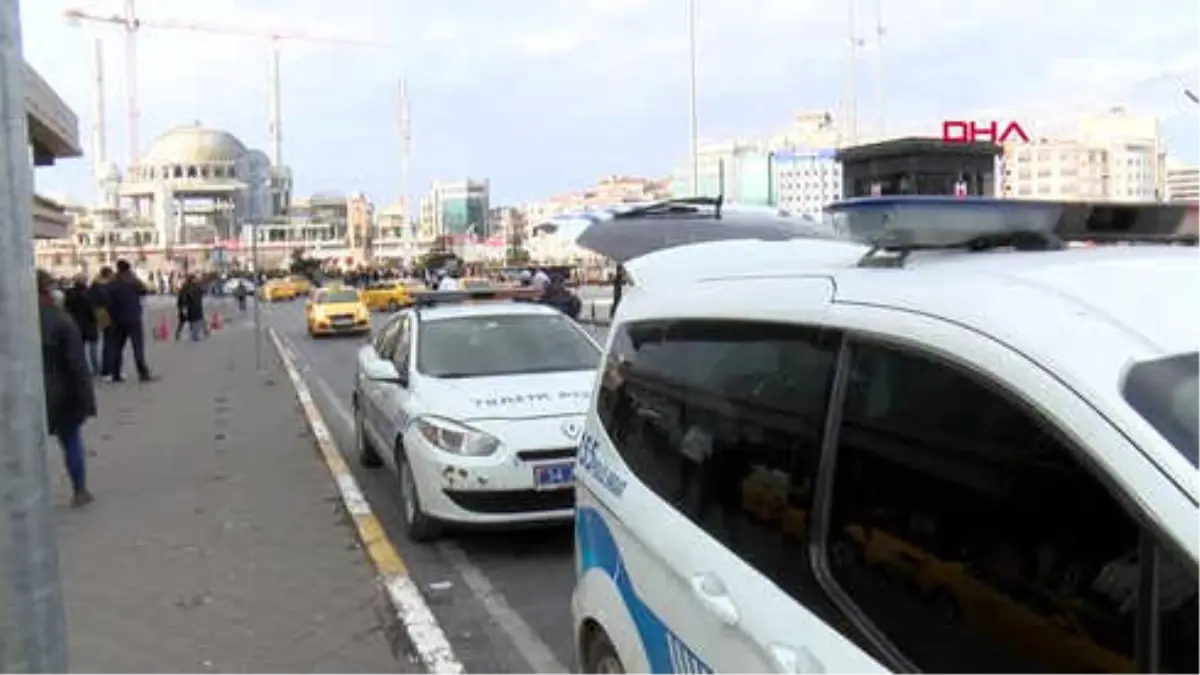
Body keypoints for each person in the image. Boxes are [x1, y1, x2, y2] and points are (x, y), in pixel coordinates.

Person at [38, 269, 97, 507]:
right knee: (71, 440)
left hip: (28, 393)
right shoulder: (60, 319)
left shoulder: (15, 318)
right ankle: (80, 490)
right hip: (61, 392)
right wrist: (86, 399)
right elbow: (76, 364)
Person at [105, 259, 156, 382]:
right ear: (128, 268)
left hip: (116, 319)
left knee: (117, 347)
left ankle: (116, 374)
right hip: (133, 318)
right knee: (137, 347)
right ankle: (143, 373)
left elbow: (106, 299)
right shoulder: (133, 280)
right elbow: (144, 290)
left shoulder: (112, 282)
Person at [63, 275, 100, 375]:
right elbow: (95, 309)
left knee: (80, 348)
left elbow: (66, 308)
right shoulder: (90, 293)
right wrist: (103, 322)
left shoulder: (70, 293)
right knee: (93, 347)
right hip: (90, 324)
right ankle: (96, 368)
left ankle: (82, 368)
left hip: (76, 323)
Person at [175, 275, 207, 341]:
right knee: (187, 321)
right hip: (190, 307)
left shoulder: (195, 287)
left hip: (194, 307)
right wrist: (183, 307)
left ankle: (202, 331)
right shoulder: (187, 287)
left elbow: (202, 292)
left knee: (198, 320)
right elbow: (183, 297)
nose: (195, 281)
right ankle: (192, 334)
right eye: (194, 279)